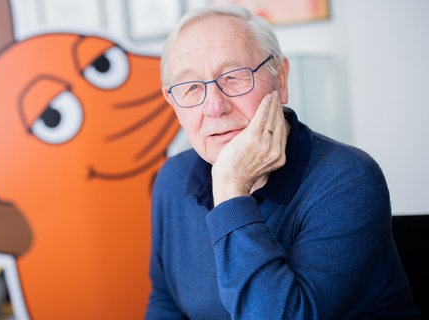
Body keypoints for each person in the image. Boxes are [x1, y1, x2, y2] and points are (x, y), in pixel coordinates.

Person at [145, 5, 421, 320]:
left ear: (281, 78)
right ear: (173, 103)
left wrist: (231, 189)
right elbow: (166, 300)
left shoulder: (350, 179)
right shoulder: (172, 179)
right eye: (192, 87)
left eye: (234, 77)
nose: (214, 106)